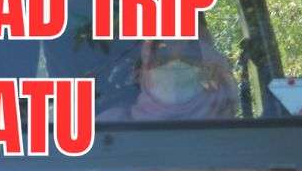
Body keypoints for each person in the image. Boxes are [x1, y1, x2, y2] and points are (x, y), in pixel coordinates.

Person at [98, 35, 238, 122]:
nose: (175, 64)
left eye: (188, 58)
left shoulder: (240, 132)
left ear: (211, 72)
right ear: (139, 75)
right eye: (163, 58)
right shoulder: (107, 126)